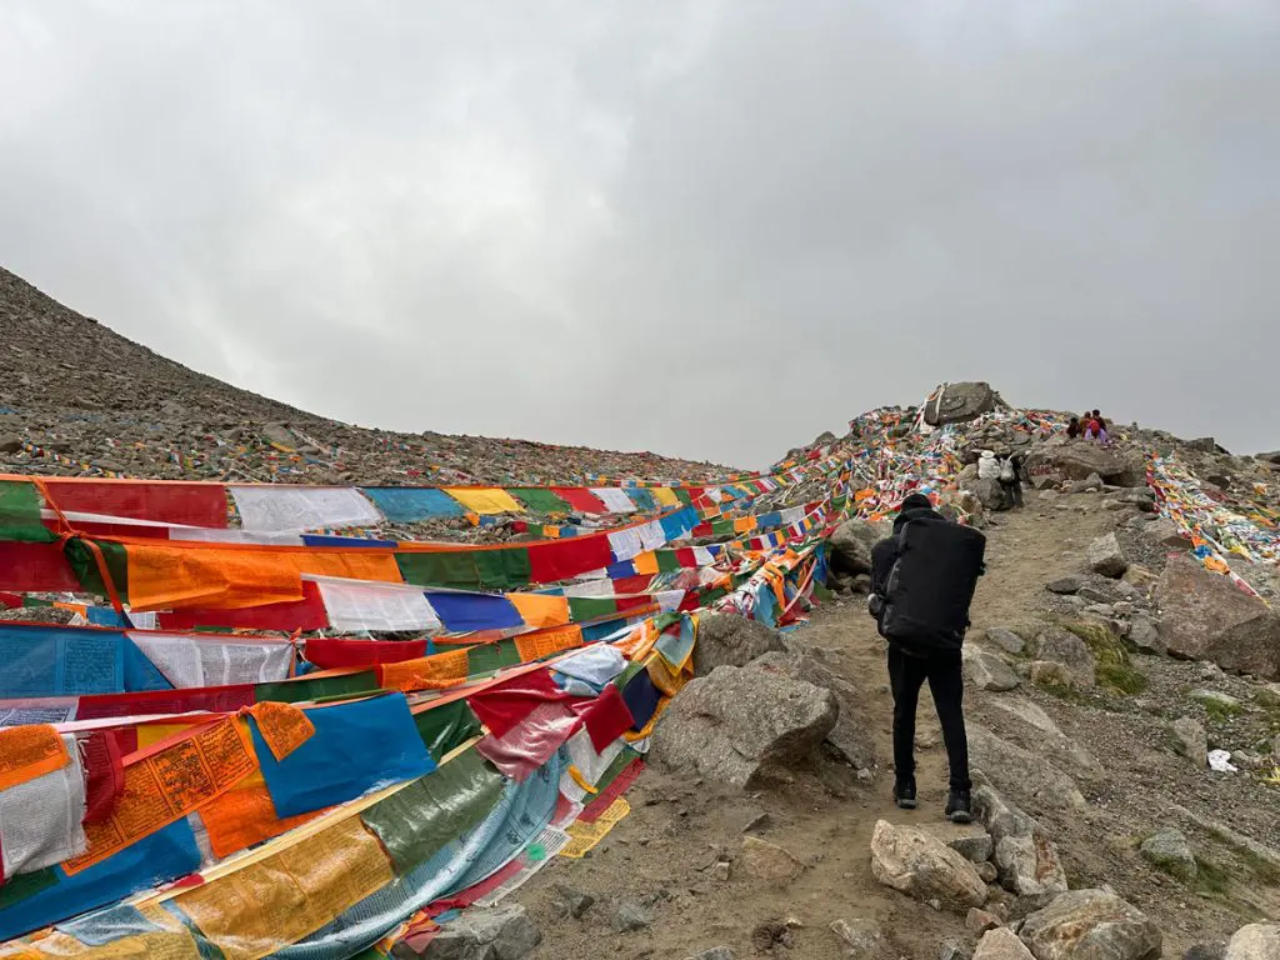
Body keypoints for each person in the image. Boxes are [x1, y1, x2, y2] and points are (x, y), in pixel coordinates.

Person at [868, 493, 978, 823]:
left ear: (902, 516)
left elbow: (877, 599)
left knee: (905, 712)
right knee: (951, 715)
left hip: (904, 644)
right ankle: (960, 794)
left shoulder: (886, 548)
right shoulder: (955, 548)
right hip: (946, 644)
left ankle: (905, 786)